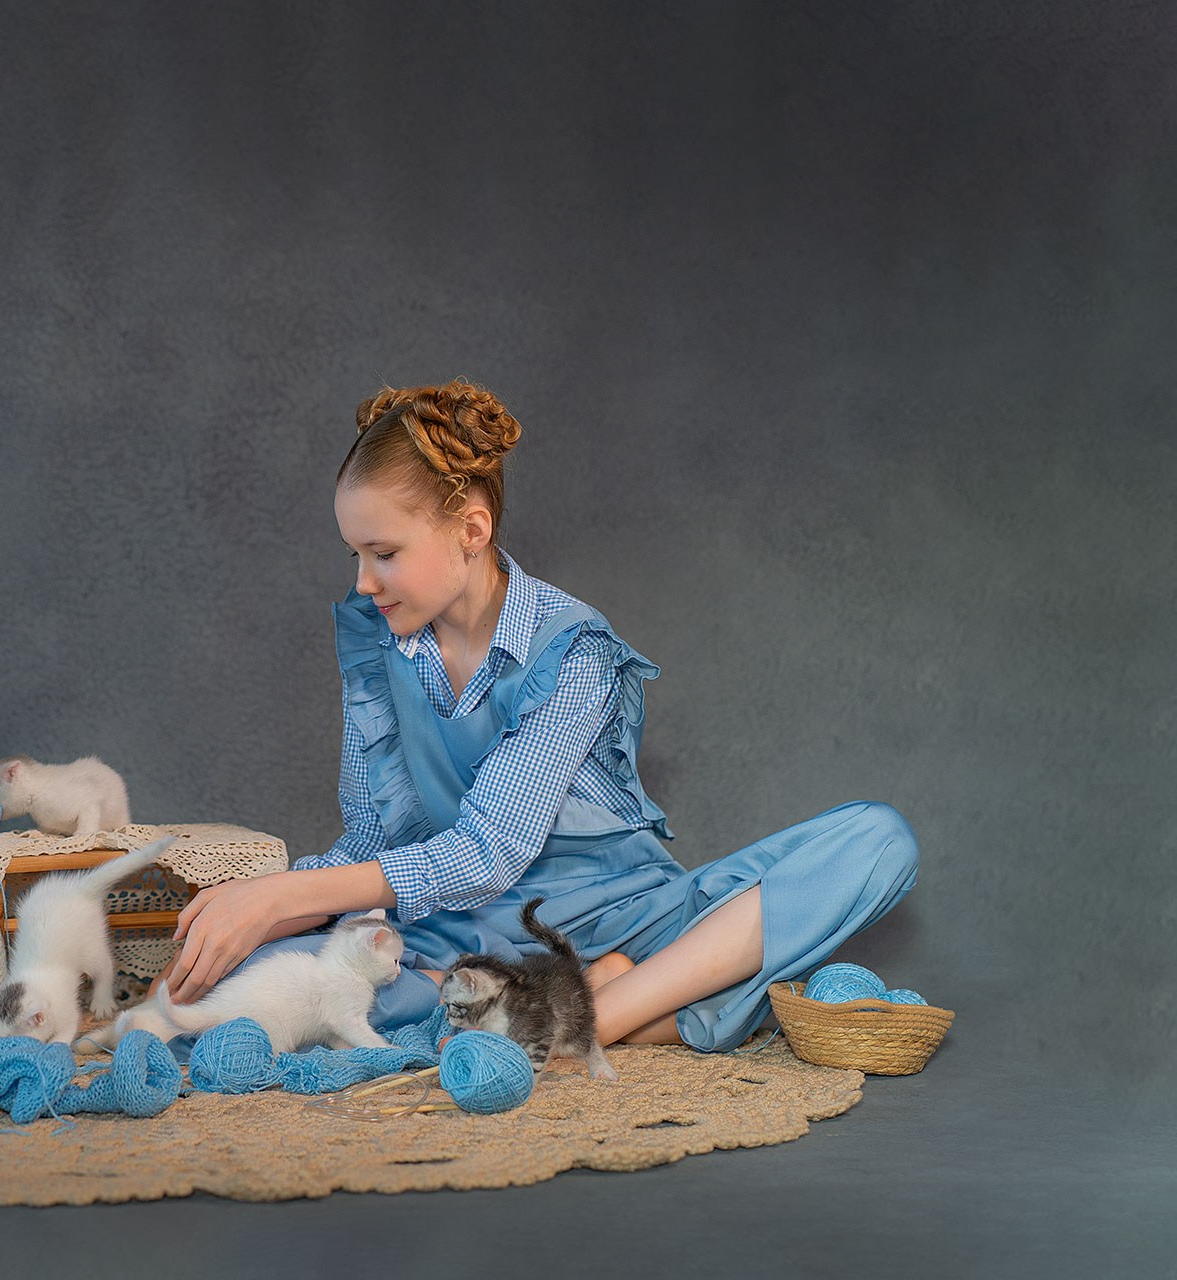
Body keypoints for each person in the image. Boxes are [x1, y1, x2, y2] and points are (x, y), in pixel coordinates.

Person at [164, 380, 917, 1051]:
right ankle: (586, 1001)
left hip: (623, 918)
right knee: (244, 991)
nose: (364, 582)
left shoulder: (572, 650)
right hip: (454, 935)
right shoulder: (377, 647)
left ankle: (593, 1015)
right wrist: (254, 906)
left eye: (383, 552)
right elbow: (370, 843)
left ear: (472, 531)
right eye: (353, 554)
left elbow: (485, 852)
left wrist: (281, 896)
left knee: (879, 841)